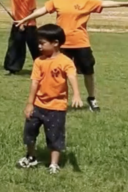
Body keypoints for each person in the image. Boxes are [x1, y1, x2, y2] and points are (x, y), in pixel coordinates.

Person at [14, 0, 128, 112]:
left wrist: (125, 3)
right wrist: (25, 19)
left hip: (81, 42)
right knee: (60, 74)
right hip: (62, 44)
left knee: (88, 72)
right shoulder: (57, 0)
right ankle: (60, 100)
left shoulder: (86, 0)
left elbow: (104, 3)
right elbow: (42, 10)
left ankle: (91, 99)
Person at [18, 24, 82, 174]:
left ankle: (54, 164)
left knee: (55, 136)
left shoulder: (65, 61)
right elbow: (34, 82)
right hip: (38, 105)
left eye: (42, 43)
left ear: (55, 43)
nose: (39, 46)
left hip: (56, 107)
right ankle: (31, 156)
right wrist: (29, 104)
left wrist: (77, 94)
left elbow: (71, 76)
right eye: (38, 43)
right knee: (29, 132)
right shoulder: (39, 61)